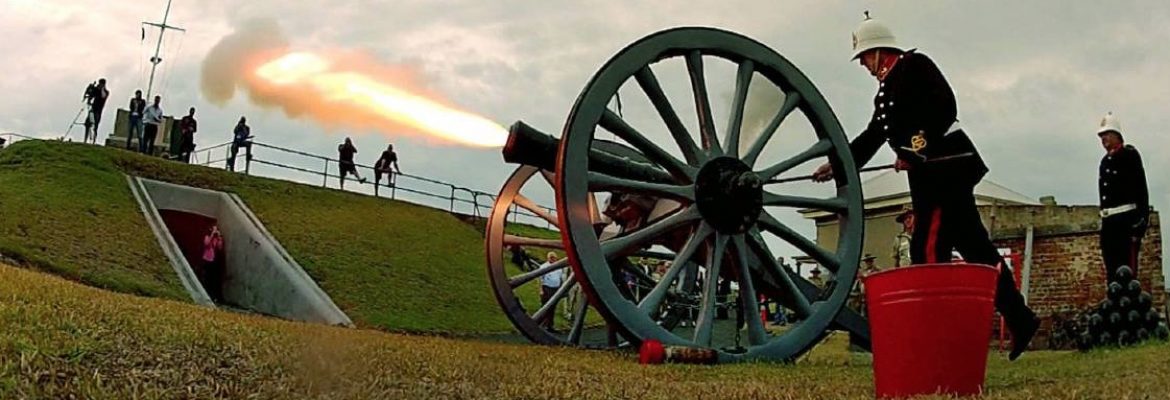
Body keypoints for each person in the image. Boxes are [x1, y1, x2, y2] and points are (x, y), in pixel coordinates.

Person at [812, 14, 1038, 360]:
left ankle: (938, 338)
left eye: (864, 59)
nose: (864, 67)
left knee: (927, 250)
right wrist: (839, 165)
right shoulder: (885, 93)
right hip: (931, 175)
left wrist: (912, 152)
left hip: (943, 169)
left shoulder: (916, 66)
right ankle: (1020, 317)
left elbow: (943, 108)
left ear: (878, 52)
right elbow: (874, 136)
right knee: (978, 250)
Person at [1096, 112, 1149, 285]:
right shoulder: (1105, 162)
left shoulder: (1129, 155)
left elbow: (1141, 190)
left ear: (1117, 135)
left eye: (1107, 134)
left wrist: (1140, 224)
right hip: (1109, 223)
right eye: (1101, 136)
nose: (1103, 139)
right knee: (1112, 273)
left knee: (1127, 272)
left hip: (1126, 221)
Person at [538, 252, 563, 330]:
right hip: (547, 288)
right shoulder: (543, 267)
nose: (552, 259)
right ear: (548, 258)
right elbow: (540, 279)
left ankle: (550, 326)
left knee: (552, 307)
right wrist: (541, 290)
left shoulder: (559, 267)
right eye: (551, 257)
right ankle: (542, 325)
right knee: (545, 307)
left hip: (555, 289)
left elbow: (561, 278)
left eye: (553, 257)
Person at [201, 224, 225, 302]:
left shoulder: (217, 239)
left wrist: (219, 237)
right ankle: (205, 292)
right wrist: (212, 235)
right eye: (213, 229)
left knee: (213, 279)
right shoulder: (207, 237)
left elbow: (220, 247)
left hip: (214, 261)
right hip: (207, 259)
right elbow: (207, 244)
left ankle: (213, 295)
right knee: (206, 277)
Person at [83, 79, 109, 143]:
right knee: (87, 124)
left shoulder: (106, 91)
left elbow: (103, 96)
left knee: (95, 125)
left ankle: (93, 140)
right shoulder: (97, 90)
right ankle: (85, 140)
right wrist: (90, 89)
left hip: (98, 111)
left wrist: (101, 89)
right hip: (93, 109)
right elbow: (91, 95)